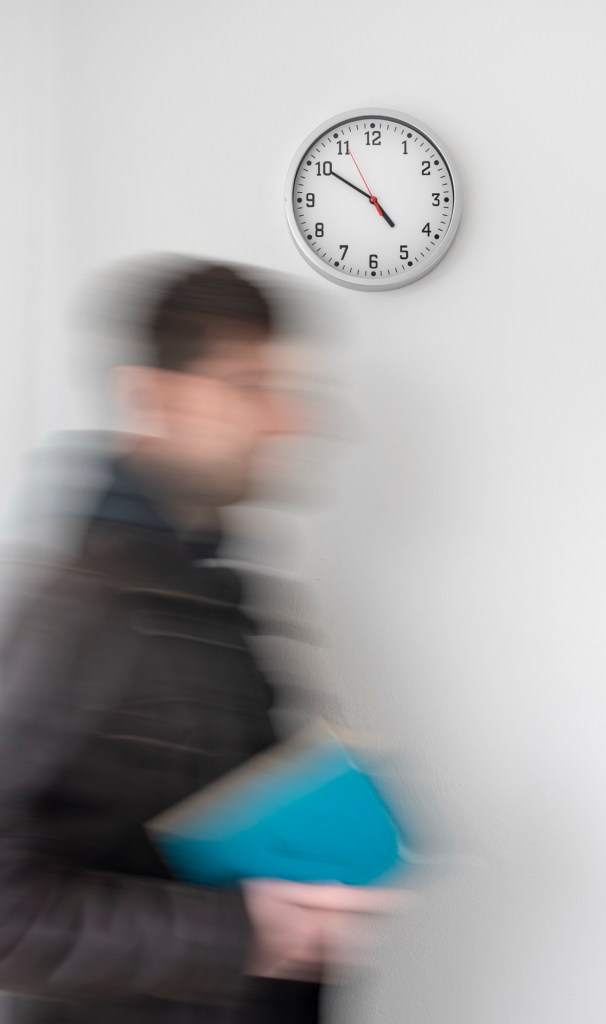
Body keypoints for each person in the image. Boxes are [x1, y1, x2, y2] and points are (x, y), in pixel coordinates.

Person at [0, 259, 396, 1024]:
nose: (285, 419)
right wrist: (246, 931)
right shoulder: (80, 607)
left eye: (285, 389)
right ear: (151, 398)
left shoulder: (224, 595)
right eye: (248, 385)